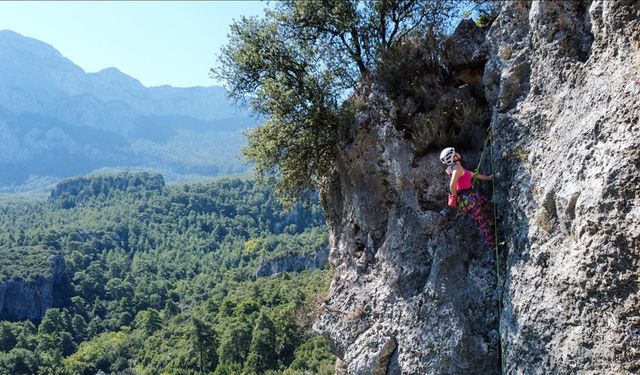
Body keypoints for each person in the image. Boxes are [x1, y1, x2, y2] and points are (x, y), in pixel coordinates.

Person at [440, 147, 495, 249]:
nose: (458, 152)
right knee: (482, 223)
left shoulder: (453, 168)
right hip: (467, 199)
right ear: (453, 157)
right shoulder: (457, 169)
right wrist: (455, 197)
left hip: (468, 198)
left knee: (484, 202)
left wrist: (489, 178)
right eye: (455, 152)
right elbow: (452, 186)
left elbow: (474, 175)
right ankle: (493, 246)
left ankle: (492, 221)